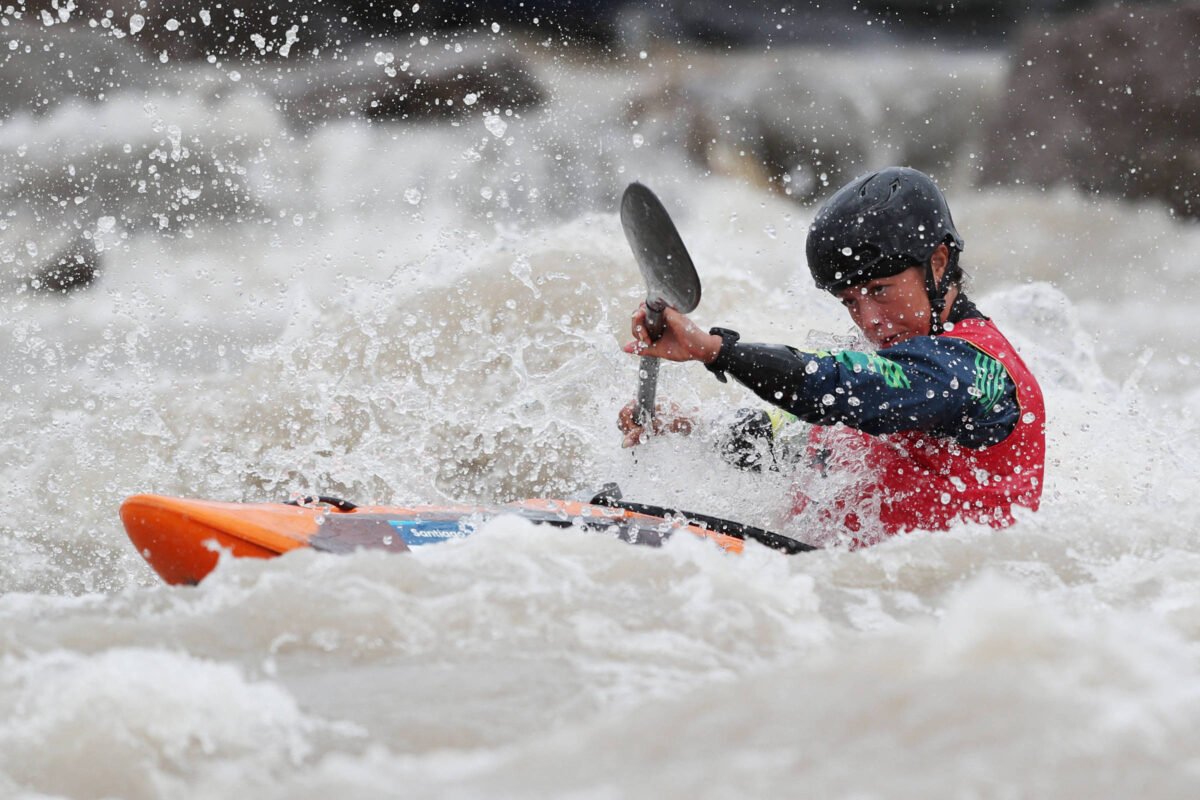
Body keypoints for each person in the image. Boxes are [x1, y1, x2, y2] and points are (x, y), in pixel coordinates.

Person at [617, 167, 1045, 544]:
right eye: (850, 302)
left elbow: (841, 386)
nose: (870, 320)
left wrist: (715, 351)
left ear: (936, 263)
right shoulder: (898, 358)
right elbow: (798, 442)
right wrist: (688, 425)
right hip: (838, 585)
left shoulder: (974, 370)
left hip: (919, 613)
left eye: (880, 291)